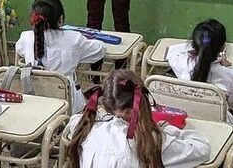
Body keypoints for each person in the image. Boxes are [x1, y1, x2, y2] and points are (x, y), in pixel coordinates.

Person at [67, 69, 210, 168]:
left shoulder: (87, 128)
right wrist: (169, 128)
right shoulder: (150, 140)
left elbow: (74, 120)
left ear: (106, 103)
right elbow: (202, 149)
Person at [166, 19, 233, 156]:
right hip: (218, 123)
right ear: (223, 47)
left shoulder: (181, 62)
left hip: (186, 121)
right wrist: (229, 67)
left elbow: (172, 52)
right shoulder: (230, 73)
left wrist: (194, 50)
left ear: (193, 44)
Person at [15, 0, 106, 113]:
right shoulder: (74, 39)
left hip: (35, 102)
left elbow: (19, 49)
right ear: (61, 19)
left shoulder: (26, 37)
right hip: (68, 106)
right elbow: (99, 50)